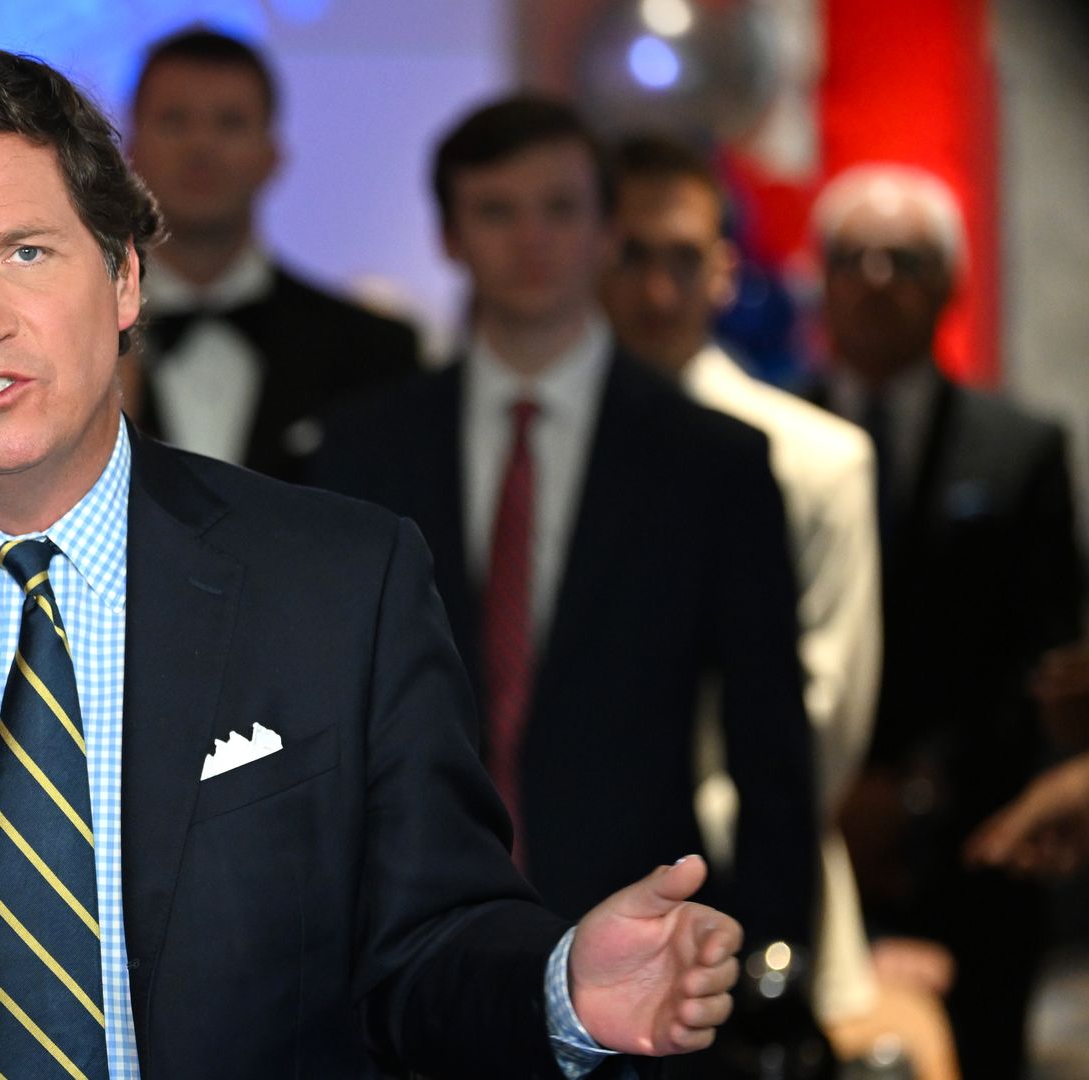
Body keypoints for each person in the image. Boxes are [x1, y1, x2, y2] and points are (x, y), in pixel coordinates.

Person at [0, 36, 749, 1079]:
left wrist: (557, 988)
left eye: (26, 253)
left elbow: (427, 940)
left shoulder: (343, 584)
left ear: (125, 278)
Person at [311, 97, 816, 971]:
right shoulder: (363, 449)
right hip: (405, 930)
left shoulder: (713, 462)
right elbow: (326, 708)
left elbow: (768, 735)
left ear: (606, 229)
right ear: (449, 236)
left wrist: (775, 954)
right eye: (496, 211)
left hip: (646, 927)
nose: (531, 239)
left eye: (560, 208)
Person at [600, 134, 881, 1028]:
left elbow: (823, 715)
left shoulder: (818, 459)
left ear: (725, 271)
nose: (657, 291)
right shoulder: (538, 446)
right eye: (631, 255)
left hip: (749, 885)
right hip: (563, 884)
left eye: (683, 259)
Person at [809, 163, 1082, 1079]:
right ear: (821, 280)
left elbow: (1042, 655)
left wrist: (919, 795)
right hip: (803, 833)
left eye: (905, 260)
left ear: (951, 286)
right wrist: (836, 789)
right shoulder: (757, 438)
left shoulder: (1021, 448)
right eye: (853, 259)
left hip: (975, 846)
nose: (876, 281)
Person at [123, 27, 418, 482]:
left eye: (230, 123)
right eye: (174, 120)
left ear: (272, 155)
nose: (200, 146)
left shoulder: (374, 352)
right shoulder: (79, 341)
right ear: (130, 151)